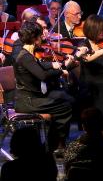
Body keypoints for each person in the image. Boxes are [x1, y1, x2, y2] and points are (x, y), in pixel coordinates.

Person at [12, 21, 74, 149]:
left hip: (31, 99)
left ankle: (54, 144)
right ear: (35, 39)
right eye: (40, 36)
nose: (42, 38)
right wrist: (61, 71)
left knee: (63, 103)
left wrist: (58, 65)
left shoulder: (28, 55)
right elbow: (43, 75)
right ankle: (56, 144)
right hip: (27, 101)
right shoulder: (25, 57)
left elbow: (41, 66)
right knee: (64, 107)